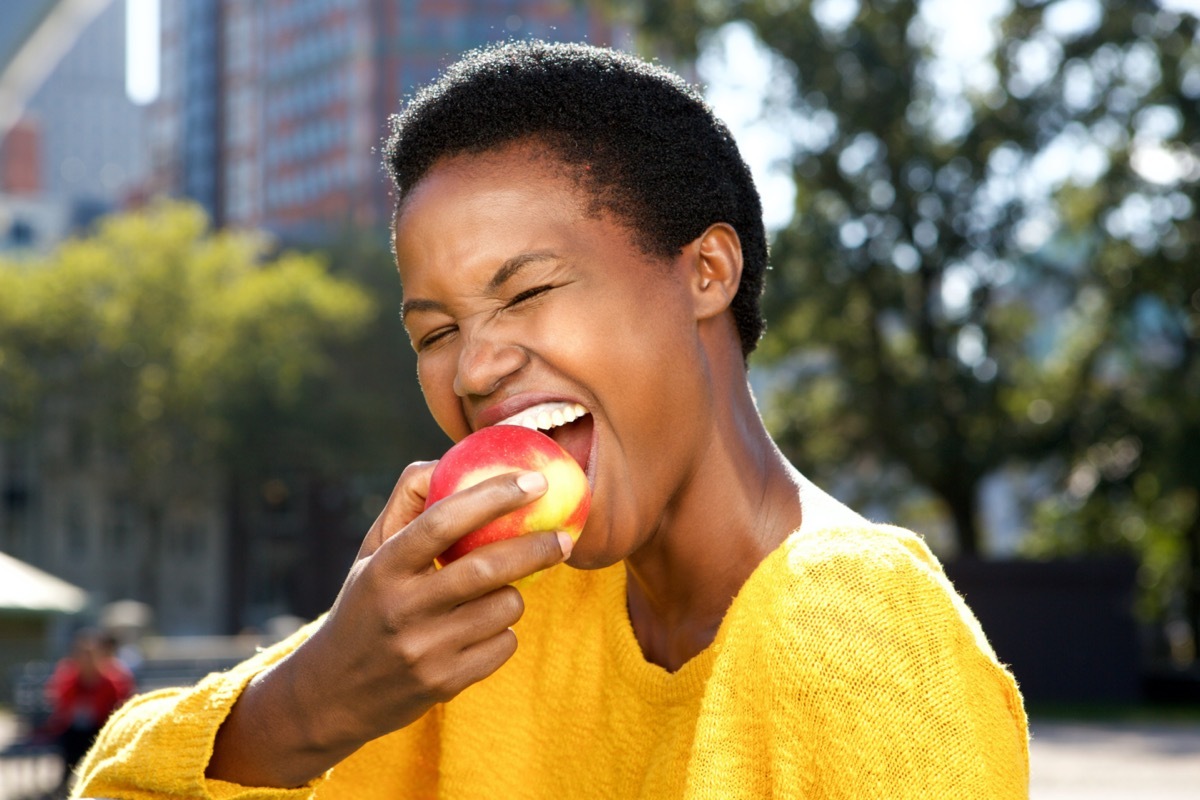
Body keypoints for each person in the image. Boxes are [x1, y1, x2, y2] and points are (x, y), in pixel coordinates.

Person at [73, 41, 1029, 798]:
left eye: (527, 290)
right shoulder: (491, 608)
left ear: (707, 272)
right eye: (436, 330)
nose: (477, 366)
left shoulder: (855, 628)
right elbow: (116, 785)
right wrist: (314, 699)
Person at [43, 628, 134, 793]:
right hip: (72, 728)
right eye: (82, 654)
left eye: (91, 655)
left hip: (101, 727)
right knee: (70, 743)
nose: (87, 659)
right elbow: (60, 702)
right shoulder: (68, 676)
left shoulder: (111, 678)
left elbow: (119, 706)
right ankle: (65, 783)